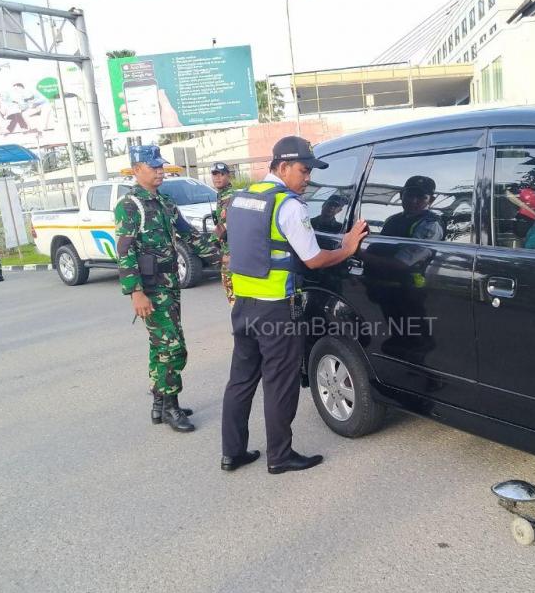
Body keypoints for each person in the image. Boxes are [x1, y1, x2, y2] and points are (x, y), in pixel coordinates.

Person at [221, 136, 368, 474]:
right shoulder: (288, 205)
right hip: (276, 311)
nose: (307, 179)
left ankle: (232, 452)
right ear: (283, 167)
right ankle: (280, 457)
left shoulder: (243, 198)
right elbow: (313, 259)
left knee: (241, 380)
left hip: (243, 306)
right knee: (279, 383)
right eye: (303, 171)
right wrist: (346, 249)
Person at [115, 145, 216, 433]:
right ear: (137, 170)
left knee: (160, 347)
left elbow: (190, 235)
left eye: (161, 166)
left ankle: (160, 405)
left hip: (170, 287)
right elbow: (125, 251)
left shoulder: (165, 202)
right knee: (173, 347)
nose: (160, 171)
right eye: (153, 167)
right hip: (151, 290)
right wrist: (135, 292)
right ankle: (170, 406)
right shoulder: (130, 205)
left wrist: (221, 254)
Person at [380, 176, 444, 240]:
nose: (413, 201)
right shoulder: (391, 219)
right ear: (401, 195)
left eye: (421, 197)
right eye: (409, 195)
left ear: (431, 200)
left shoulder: (431, 224)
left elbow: (417, 249)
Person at [210, 161, 235, 304]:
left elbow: (225, 226)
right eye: (214, 174)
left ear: (228, 176)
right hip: (227, 250)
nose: (217, 178)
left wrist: (210, 245)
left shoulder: (229, 196)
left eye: (221, 174)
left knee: (234, 297)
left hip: (231, 254)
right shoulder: (221, 196)